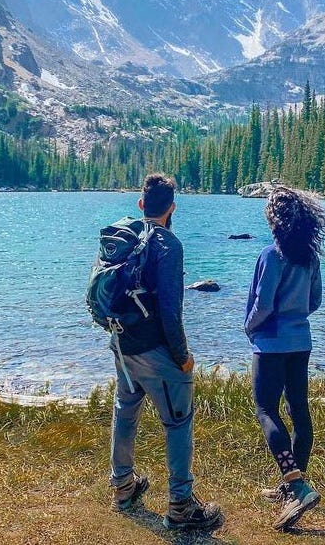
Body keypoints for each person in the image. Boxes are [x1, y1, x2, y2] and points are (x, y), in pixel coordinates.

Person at [107, 173, 224, 530]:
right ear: (172, 208)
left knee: (125, 412)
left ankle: (123, 488)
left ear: (141, 204)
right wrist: (183, 357)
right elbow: (172, 312)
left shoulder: (123, 238)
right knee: (177, 423)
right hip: (157, 351)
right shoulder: (168, 244)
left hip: (122, 344)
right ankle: (181, 506)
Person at [244, 186, 325, 530]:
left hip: (270, 343)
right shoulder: (310, 257)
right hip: (300, 342)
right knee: (299, 412)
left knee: (266, 409)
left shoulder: (271, 255)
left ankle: (296, 487)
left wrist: (249, 327)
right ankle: (292, 485)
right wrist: (296, 317)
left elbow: (262, 305)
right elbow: (315, 301)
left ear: (274, 221)